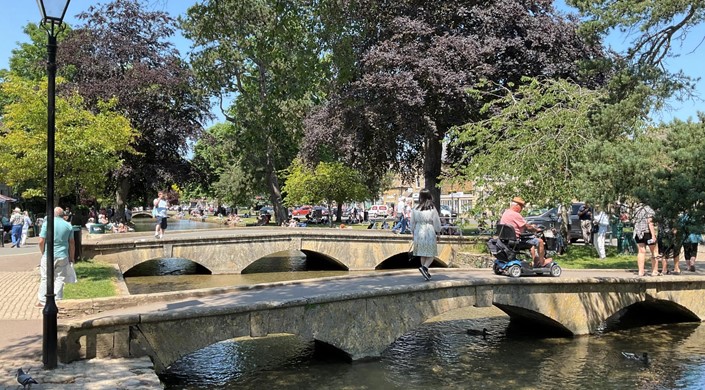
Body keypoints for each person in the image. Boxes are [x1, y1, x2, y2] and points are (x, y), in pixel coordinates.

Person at [36, 207, 75, 307]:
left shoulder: (47, 223)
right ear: (62, 215)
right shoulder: (68, 225)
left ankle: (42, 300)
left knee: (45, 277)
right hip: (62, 255)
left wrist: (43, 252)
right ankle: (57, 299)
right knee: (60, 278)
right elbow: (71, 243)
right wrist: (71, 257)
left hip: (48, 254)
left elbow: (41, 241)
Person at [499, 196, 552, 267]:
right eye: (521, 207)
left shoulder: (506, 212)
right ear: (517, 205)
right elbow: (527, 227)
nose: (522, 209)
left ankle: (536, 261)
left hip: (506, 240)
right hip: (516, 241)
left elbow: (520, 225)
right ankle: (542, 262)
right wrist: (536, 229)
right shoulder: (515, 214)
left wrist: (530, 226)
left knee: (531, 242)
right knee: (540, 241)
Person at [410, 189, 442, 281]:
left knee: (422, 253)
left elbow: (412, 222)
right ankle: (425, 268)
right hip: (429, 230)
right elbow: (436, 221)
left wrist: (412, 232)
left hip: (419, 231)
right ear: (429, 196)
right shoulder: (432, 208)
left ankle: (425, 272)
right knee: (431, 252)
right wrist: (438, 232)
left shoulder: (415, 208)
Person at [632, 203, 659, 277]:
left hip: (638, 233)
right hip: (647, 233)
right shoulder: (649, 209)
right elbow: (650, 223)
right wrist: (653, 235)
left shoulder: (636, 210)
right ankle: (654, 271)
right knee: (654, 251)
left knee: (641, 251)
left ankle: (641, 271)